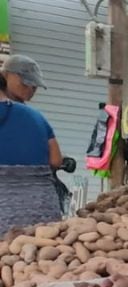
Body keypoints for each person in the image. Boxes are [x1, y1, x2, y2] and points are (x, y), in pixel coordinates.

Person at [0, 55, 64, 234]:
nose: (31, 88)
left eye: (34, 85)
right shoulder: (36, 117)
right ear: (5, 76)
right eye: (26, 82)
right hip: (41, 213)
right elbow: (56, 160)